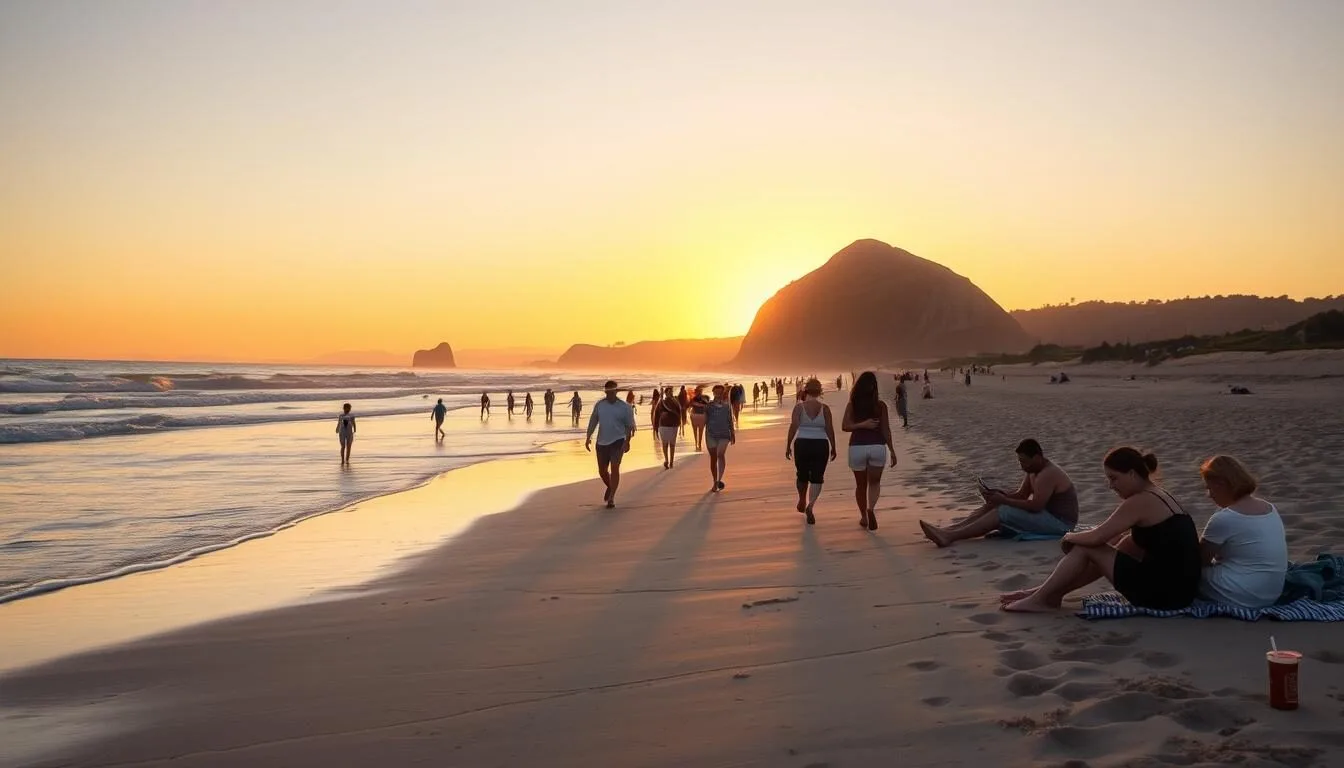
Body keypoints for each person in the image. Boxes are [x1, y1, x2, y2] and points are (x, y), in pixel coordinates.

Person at [1000, 448, 1201, 613]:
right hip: (1180, 593)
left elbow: (1098, 536)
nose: (1110, 486)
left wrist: (1069, 536)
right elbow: (1111, 534)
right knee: (1125, 542)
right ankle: (1046, 592)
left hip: (1163, 595)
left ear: (1132, 474)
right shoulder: (1159, 494)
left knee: (1086, 547)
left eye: (1114, 478)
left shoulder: (1140, 501)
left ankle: (1042, 599)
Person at [918, 439, 1078, 547]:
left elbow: (1036, 506)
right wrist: (997, 495)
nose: (1022, 465)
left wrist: (1005, 501)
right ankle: (949, 530)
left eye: (1024, 461)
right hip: (1046, 516)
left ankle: (951, 537)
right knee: (995, 504)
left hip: (1061, 524)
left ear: (1036, 457)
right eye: (1019, 461)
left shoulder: (1047, 474)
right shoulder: (1033, 471)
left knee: (1003, 511)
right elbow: (1021, 495)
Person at [1196, 456, 1288, 609]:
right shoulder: (1269, 508)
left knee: (1182, 570)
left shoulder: (1225, 518)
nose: (1209, 495)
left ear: (1221, 484)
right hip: (1271, 594)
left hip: (1243, 594)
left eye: (1209, 488)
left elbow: (1199, 560)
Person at [841, 371, 897, 531]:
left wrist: (860, 425)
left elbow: (845, 426)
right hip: (877, 447)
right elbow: (886, 430)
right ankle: (871, 509)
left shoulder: (852, 404)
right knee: (874, 483)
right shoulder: (880, 406)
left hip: (857, 447)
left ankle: (864, 518)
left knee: (860, 485)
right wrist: (892, 450)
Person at [785, 378, 837, 525]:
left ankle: (802, 497)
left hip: (802, 444)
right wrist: (834, 446)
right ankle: (810, 505)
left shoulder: (799, 408)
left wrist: (788, 445)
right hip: (821, 444)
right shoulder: (825, 408)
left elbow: (794, 426)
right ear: (820, 391)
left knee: (802, 474)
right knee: (817, 476)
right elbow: (829, 428)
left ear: (805, 391)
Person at [585, 380, 637, 509]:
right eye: (607, 393)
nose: (609, 395)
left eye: (611, 392)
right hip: (601, 442)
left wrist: (627, 441)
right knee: (602, 471)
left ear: (616, 391)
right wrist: (588, 437)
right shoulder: (600, 405)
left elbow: (629, 426)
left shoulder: (624, 407)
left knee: (615, 467)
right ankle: (610, 486)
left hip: (618, 440)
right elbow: (593, 421)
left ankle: (612, 498)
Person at [704, 384, 736, 492]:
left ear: (723, 393)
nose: (718, 394)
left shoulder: (727, 406)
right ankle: (715, 482)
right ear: (713, 393)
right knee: (713, 458)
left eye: (720, 392)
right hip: (710, 434)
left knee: (720, 454)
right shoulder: (708, 406)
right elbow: (704, 419)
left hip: (724, 435)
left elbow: (730, 419)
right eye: (716, 392)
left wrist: (732, 433)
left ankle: (719, 479)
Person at [656, 386, 682, 469]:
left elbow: (679, 412)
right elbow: (658, 412)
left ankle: (671, 461)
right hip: (663, 425)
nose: (671, 393)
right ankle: (666, 460)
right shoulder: (662, 402)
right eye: (669, 391)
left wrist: (679, 423)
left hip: (673, 425)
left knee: (672, 444)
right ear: (665, 393)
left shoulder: (675, 401)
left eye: (671, 391)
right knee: (665, 444)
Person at [688, 385, 709, 452]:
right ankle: (698, 443)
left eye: (700, 391)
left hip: (696, 415)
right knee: (699, 431)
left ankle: (698, 444)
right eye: (699, 391)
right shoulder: (705, 397)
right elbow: (707, 406)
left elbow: (689, 407)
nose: (700, 392)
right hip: (699, 415)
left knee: (697, 431)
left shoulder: (694, 399)